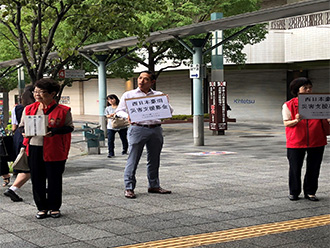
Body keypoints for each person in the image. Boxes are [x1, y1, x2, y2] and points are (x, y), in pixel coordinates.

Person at [20, 78, 74, 219]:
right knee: (37, 179)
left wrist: (54, 131)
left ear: (52, 94)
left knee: (54, 179)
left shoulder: (63, 110)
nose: (37, 94)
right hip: (34, 147)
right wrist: (23, 132)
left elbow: (69, 127)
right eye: (35, 91)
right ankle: (41, 207)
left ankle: (54, 207)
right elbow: (21, 126)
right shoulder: (29, 109)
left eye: (42, 92)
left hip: (55, 149)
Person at [116, 71, 173, 199]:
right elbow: (119, 111)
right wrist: (127, 116)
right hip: (137, 128)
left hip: (155, 129)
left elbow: (168, 112)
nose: (141, 81)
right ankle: (129, 187)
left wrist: (166, 102)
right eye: (140, 78)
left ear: (152, 82)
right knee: (133, 159)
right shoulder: (129, 94)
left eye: (146, 79)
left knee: (154, 159)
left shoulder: (158, 95)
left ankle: (154, 185)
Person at [282, 77, 329, 201]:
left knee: (314, 167)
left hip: (317, 140)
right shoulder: (289, 105)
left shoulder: (318, 103)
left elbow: (325, 120)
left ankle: (310, 192)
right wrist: (296, 120)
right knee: (295, 168)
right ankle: (294, 192)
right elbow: (286, 123)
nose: (308, 90)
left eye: (310, 87)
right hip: (296, 141)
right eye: (305, 88)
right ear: (297, 90)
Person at [4, 85, 35, 202]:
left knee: (25, 163)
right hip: (29, 137)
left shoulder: (16, 108)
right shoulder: (34, 108)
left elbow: (14, 126)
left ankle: (14, 188)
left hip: (18, 136)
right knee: (29, 166)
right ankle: (13, 189)